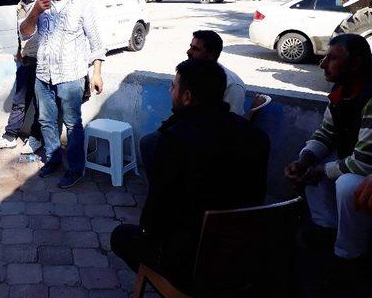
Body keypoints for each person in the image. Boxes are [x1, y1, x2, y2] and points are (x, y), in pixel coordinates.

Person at [111, 59, 269, 292]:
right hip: (243, 253)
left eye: (173, 87)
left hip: (192, 260)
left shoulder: (174, 141)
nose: (170, 92)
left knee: (121, 236)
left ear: (186, 97)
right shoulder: (256, 137)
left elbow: (156, 219)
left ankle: (176, 287)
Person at [284, 34, 372, 288]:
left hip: (366, 171)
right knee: (311, 162)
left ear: (355, 65)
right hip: (358, 162)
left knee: (346, 184)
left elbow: (364, 163)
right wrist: (305, 161)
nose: (323, 65)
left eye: (332, 58)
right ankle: (326, 231)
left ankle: (349, 255)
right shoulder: (341, 91)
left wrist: (321, 170)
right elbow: (326, 133)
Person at [20, 0, 105, 189]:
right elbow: (25, 34)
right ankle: (53, 159)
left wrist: (96, 73)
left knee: (73, 124)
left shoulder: (83, 5)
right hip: (43, 75)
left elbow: (97, 44)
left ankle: (76, 169)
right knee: (46, 121)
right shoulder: (40, 2)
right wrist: (35, 12)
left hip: (71, 76)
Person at [0, 0, 44, 154]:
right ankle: (10, 136)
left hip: (43, 63)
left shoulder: (45, 5)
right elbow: (20, 32)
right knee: (19, 101)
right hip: (26, 61)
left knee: (39, 104)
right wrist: (19, 50)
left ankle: (36, 138)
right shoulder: (20, 6)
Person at [186, 29, 245, 115]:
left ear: (211, 54)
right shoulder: (187, 74)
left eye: (195, 49)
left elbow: (232, 123)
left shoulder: (232, 84)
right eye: (191, 47)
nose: (188, 51)